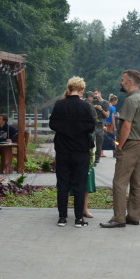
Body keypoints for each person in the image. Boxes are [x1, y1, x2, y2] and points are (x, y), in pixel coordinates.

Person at [101, 70, 140, 229]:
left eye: (122, 80)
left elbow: (126, 126)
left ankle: (119, 218)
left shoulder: (130, 100)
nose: (121, 82)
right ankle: (134, 216)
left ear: (129, 82)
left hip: (129, 145)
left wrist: (120, 145)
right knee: (136, 182)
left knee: (119, 182)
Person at [49, 76, 96, 227]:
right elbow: (91, 127)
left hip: (63, 150)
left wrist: (66, 129)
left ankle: (62, 218)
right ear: (82, 90)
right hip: (81, 150)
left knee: (62, 184)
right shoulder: (85, 106)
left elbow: (52, 124)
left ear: (69, 88)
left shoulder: (60, 105)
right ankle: (78, 220)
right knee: (79, 185)